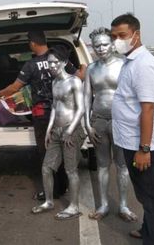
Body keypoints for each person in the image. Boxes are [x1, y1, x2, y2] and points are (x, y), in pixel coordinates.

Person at [0, 31, 84, 200]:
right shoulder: (59, 59)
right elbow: (80, 77)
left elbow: (15, 88)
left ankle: (52, 191)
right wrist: (84, 67)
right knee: (65, 152)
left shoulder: (31, 65)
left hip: (43, 114)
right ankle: (63, 187)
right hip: (65, 114)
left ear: (32, 44)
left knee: (47, 153)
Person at [111, 14, 154, 244]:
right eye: (114, 36)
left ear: (136, 34)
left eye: (122, 35)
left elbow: (148, 109)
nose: (117, 40)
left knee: (152, 195)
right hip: (130, 141)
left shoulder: (145, 65)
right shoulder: (130, 61)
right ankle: (147, 230)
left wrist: (144, 149)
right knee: (145, 194)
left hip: (141, 144)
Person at [84, 28, 137, 222]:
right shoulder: (91, 68)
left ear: (112, 44)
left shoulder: (124, 65)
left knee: (122, 165)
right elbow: (86, 97)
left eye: (104, 44)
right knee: (102, 165)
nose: (101, 48)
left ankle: (123, 205)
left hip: (120, 121)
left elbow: (134, 96)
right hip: (98, 121)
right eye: (97, 45)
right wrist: (86, 124)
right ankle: (104, 204)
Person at [31, 46, 85, 220]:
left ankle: (74, 206)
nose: (51, 66)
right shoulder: (55, 83)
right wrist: (48, 130)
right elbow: (55, 107)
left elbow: (81, 109)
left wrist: (69, 131)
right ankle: (48, 201)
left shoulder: (74, 82)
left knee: (71, 170)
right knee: (46, 167)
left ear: (63, 62)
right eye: (49, 63)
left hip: (72, 129)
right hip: (56, 130)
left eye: (55, 63)